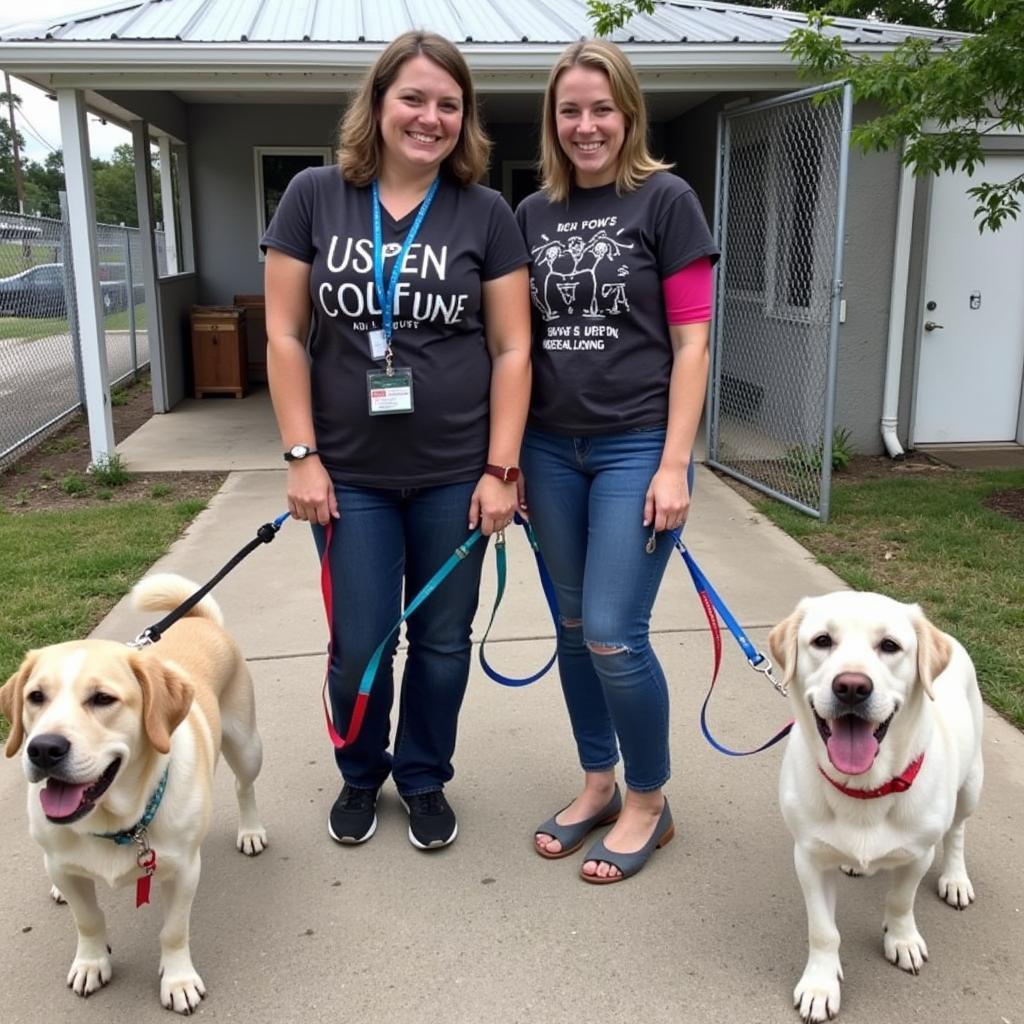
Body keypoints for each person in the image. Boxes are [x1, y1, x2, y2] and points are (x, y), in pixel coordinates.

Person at [262, 31, 531, 851]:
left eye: (449, 104)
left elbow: (513, 347)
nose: (431, 117)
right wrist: (302, 455)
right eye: (413, 98)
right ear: (378, 104)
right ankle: (358, 772)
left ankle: (422, 777)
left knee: (445, 642)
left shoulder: (484, 212)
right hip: (351, 477)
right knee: (360, 642)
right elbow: (282, 333)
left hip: (457, 474)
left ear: (465, 118)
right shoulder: (315, 195)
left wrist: (501, 470)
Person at [515, 39, 718, 883]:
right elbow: (515, 345)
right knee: (569, 629)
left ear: (627, 114)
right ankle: (597, 781)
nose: (586, 125)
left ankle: (648, 799)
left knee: (611, 633)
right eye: (570, 111)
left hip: (637, 444)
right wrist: (506, 459)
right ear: (553, 122)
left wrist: (674, 463)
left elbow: (692, 342)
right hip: (548, 450)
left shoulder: (666, 200)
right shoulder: (529, 215)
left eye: (602, 109)